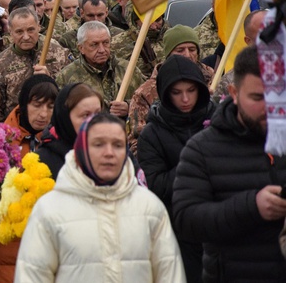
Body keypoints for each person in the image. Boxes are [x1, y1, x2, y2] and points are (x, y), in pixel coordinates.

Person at [16, 113, 186, 282]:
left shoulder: (150, 208)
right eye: (98, 145)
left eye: (118, 145)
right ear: (81, 149)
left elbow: (170, 275)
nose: (109, 153)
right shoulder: (49, 210)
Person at [172, 46, 286, 281]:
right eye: (257, 97)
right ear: (234, 93)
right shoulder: (202, 149)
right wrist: (252, 206)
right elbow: (187, 219)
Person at [137, 55, 216, 283]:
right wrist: (195, 166)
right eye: (176, 92)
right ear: (164, 93)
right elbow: (155, 185)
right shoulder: (152, 134)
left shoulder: (219, 120)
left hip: (219, 224)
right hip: (178, 232)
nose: (185, 99)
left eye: (191, 90)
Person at [128, 25, 214, 151]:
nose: (187, 55)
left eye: (192, 49)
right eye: (180, 50)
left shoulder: (214, 81)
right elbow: (136, 142)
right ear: (168, 54)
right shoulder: (146, 93)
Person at [0, 8, 70, 124]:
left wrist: (51, 81)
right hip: (16, 133)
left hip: (54, 127)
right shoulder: (0, 65)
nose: (26, 37)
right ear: (10, 32)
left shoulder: (59, 54)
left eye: (31, 30)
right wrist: (6, 136)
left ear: (38, 27)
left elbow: (73, 95)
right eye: (19, 32)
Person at [56, 21, 145, 118]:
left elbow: (149, 101)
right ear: (81, 48)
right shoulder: (67, 76)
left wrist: (129, 106)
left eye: (106, 43)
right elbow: (61, 114)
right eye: (94, 45)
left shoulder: (128, 69)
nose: (102, 50)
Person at [36, 83, 103, 179]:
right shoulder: (42, 162)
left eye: (97, 113)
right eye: (85, 115)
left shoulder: (111, 153)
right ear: (66, 118)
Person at [111, 1, 168, 78]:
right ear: (134, 21)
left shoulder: (173, 36)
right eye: (147, 21)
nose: (154, 26)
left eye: (158, 20)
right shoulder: (117, 44)